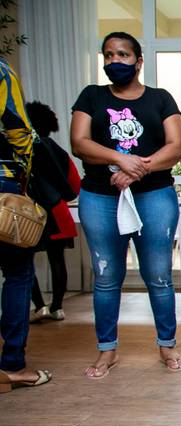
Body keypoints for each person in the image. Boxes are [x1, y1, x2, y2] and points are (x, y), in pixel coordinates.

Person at [70, 32, 181, 379]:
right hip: (100, 196)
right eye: (108, 55)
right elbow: (79, 142)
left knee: (159, 275)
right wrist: (120, 159)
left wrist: (137, 169)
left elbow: (176, 147)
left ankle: (167, 345)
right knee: (106, 276)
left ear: (138, 61)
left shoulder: (160, 98)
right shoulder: (91, 96)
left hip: (154, 195)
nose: (114, 61)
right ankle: (107, 350)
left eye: (122, 54)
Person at [0, 58, 53, 392]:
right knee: (18, 273)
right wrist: (24, 178)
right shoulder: (1, 72)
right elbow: (19, 131)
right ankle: (12, 366)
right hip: (2, 184)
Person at [25, 101, 81, 323]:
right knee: (57, 260)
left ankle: (39, 306)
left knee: (24, 262)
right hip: (56, 210)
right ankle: (57, 307)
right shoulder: (57, 150)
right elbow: (74, 184)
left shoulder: (19, 147)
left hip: (26, 211)